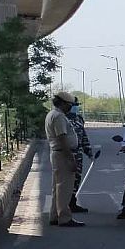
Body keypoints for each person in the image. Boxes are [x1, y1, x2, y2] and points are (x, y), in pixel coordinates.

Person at [44, 91, 85, 227]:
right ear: (62, 103)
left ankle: (55, 216)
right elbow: (62, 138)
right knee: (65, 188)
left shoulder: (52, 114)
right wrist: (70, 159)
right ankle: (65, 218)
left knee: (58, 187)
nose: (71, 107)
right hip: (63, 153)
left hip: (57, 153)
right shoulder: (59, 117)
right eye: (69, 105)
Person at [68, 99, 91, 213]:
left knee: (77, 179)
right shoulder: (62, 119)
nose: (76, 108)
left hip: (78, 154)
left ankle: (72, 203)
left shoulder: (79, 119)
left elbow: (83, 137)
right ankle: (63, 205)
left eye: (77, 105)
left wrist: (89, 152)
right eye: (74, 105)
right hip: (66, 154)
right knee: (66, 180)